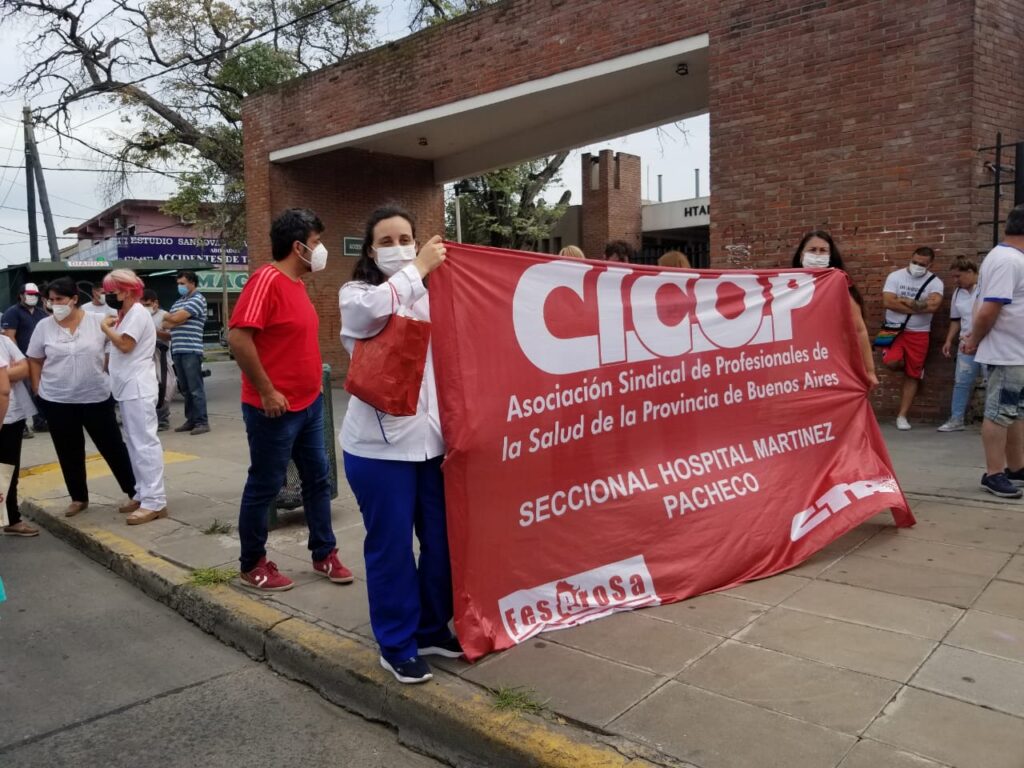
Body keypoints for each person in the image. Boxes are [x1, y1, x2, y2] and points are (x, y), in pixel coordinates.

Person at [340, 204, 456, 686]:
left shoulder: (433, 293)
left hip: (432, 446)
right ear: (370, 250)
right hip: (378, 451)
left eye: (405, 238)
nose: (398, 247)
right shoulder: (358, 293)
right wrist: (419, 267)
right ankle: (396, 643)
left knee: (441, 543)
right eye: (386, 241)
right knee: (390, 549)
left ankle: (431, 627)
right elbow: (368, 316)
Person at [227, 208, 352, 593]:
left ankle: (324, 553)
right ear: (298, 247)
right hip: (274, 410)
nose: (320, 250)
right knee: (265, 485)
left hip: (308, 405)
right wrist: (267, 391)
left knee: (318, 479)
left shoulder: (297, 285)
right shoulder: (266, 280)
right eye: (315, 243)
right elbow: (238, 338)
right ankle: (252, 564)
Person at [26, 276, 137, 518]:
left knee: (113, 447)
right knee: (68, 451)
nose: (54, 304)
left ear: (74, 299)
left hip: (96, 396)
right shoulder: (43, 327)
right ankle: (78, 497)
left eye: (60, 299)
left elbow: (118, 348)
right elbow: (34, 358)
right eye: (50, 300)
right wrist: (37, 387)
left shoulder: (99, 322)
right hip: (57, 399)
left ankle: (135, 492)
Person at [962, 204, 1024, 499]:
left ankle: (1016, 467)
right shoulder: (1008, 261)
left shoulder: (1008, 258)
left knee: (1015, 413)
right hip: (1006, 353)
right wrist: (974, 338)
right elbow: (988, 310)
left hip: (1017, 353)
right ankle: (994, 473)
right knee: (1000, 413)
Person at [99, 270, 167, 524]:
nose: (109, 296)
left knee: (144, 444)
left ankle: (155, 500)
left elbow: (126, 345)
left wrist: (105, 328)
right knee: (134, 442)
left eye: (112, 292)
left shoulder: (137, 313)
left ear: (127, 291)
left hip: (138, 387)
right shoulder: (125, 314)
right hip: (128, 387)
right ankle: (142, 493)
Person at [791, 231, 878, 390]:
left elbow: (859, 330)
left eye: (823, 250)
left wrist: (870, 371)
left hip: (832, 363)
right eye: (812, 250)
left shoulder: (840, 284)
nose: (817, 255)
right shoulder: (785, 286)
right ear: (801, 255)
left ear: (831, 256)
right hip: (797, 363)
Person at [881, 246, 944, 429]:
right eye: (914, 262)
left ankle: (902, 416)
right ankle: (905, 364)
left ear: (930, 264)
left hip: (919, 332)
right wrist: (918, 307)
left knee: (912, 374)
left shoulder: (935, 282)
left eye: (922, 264)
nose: (917, 266)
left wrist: (902, 300)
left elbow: (933, 306)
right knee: (890, 363)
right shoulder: (895, 276)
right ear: (910, 258)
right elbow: (887, 302)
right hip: (890, 328)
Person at [162, 270, 209, 435]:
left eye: (182, 283)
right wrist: (176, 319)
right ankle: (191, 420)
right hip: (178, 349)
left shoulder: (198, 299)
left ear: (192, 283)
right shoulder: (178, 302)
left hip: (191, 349)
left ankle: (202, 421)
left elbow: (172, 320)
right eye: (178, 284)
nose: (180, 287)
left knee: (196, 388)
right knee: (186, 389)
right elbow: (166, 325)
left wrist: (174, 319)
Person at [937, 258, 982, 432]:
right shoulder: (958, 293)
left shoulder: (985, 288)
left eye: (958, 276)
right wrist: (949, 340)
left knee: (994, 381)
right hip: (965, 342)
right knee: (962, 382)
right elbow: (955, 320)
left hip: (988, 342)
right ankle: (956, 419)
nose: (955, 280)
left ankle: (994, 422)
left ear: (970, 272)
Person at [2, 281, 49, 437]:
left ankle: (40, 422)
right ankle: (21, 426)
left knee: (38, 391)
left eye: (35, 295)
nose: (32, 298)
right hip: (20, 361)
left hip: (39, 360)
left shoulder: (41, 313)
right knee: (21, 394)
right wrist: (17, 358)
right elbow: (10, 337)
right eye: (29, 295)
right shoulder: (12, 312)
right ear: (21, 295)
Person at [0, 334, 36, 536]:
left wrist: (4, 374)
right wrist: (8, 373)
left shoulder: (4, 342)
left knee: (8, 470)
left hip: (12, 416)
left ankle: (11, 518)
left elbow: (25, 367)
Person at [142, 288, 172, 431]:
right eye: (142, 304)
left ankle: (163, 418)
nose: (145, 307)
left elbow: (170, 336)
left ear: (155, 303)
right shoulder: (139, 316)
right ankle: (150, 418)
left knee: (165, 387)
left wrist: (153, 331)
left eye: (147, 304)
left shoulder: (164, 315)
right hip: (145, 356)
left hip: (162, 355)